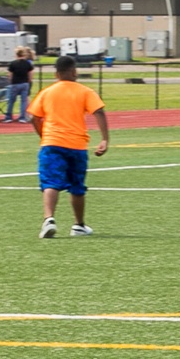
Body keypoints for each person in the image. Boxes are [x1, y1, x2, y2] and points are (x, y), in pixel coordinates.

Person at [28, 55, 109, 237]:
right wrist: (104, 139)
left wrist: (44, 135)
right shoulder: (85, 91)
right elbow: (99, 112)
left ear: (56, 73)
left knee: (50, 182)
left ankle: (49, 219)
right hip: (77, 145)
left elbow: (34, 117)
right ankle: (79, 225)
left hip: (51, 144)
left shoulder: (47, 92)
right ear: (74, 72)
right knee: (77, 186)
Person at [5, 46, 35, 123]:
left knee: (11, 101)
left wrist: (11, 81)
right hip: (24, 83)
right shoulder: (27, 64)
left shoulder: (13, 63)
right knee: (23, 101)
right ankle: (22, 117)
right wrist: (28, 80)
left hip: (15, 83)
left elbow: (10, 74)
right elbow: (31, 73)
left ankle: (8, 117)